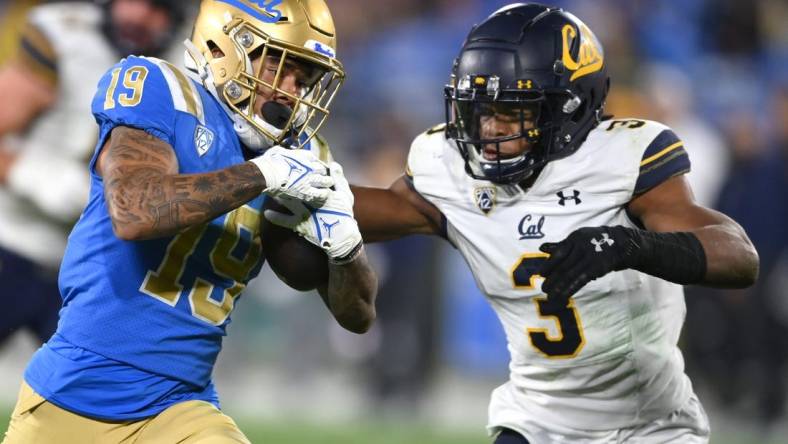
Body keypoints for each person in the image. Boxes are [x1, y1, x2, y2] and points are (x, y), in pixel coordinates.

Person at [267, 3, 759, 443]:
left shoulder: (623, 156)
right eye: (478, 110)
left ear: (570, 108)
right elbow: (350, 211)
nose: (488, 130)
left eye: (511, 111)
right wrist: (279, 191)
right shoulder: (448, 169)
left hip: (651, 427)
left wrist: (629, 246)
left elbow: (738, 256)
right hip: (533, 424)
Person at [2, 1, 377, 443]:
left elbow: (358, 317)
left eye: (306, 77)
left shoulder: (301, 155)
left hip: (180, 407)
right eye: (279, 66)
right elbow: (134, 212)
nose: (291, 91)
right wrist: (262, 174)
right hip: (70, 400)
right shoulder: (162, 90)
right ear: (225, 48)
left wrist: (345, 248)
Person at [0, 0, 189, 346]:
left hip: (95, 264)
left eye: (157, 8)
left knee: (107, 390)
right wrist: (30, 174)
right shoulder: (65, 37)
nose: (139, 16)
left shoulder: (184, 66)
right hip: (14, 239)